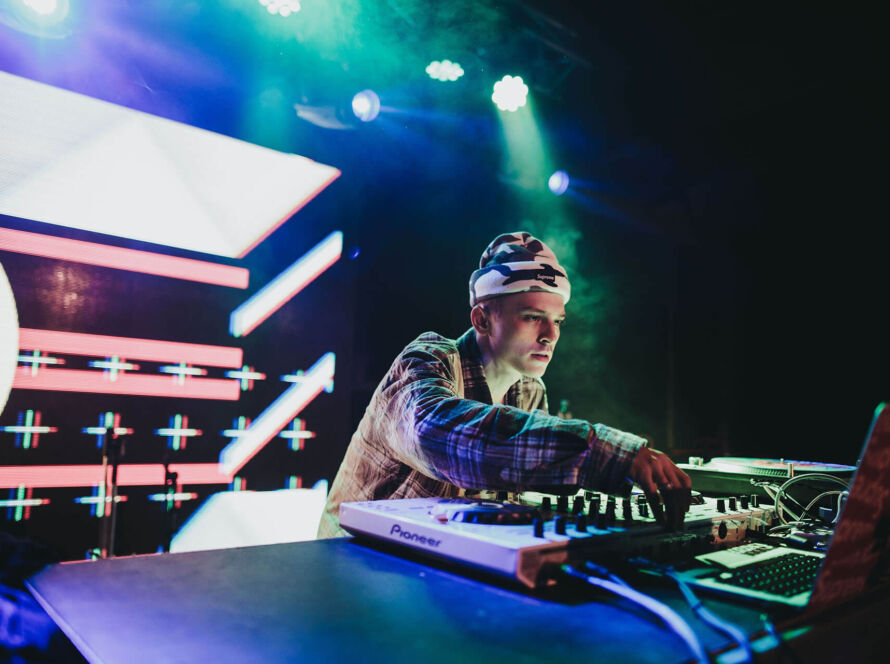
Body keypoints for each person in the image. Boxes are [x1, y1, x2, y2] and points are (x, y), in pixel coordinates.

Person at [318, 232, 690, 538]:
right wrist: (605, 452)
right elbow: (436, 435)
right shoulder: (427, 359)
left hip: (434, 568)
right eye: (532, 317)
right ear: (482, 320)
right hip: (349, 566)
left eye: (558, 321)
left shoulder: (529, 391)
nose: (550, 336)